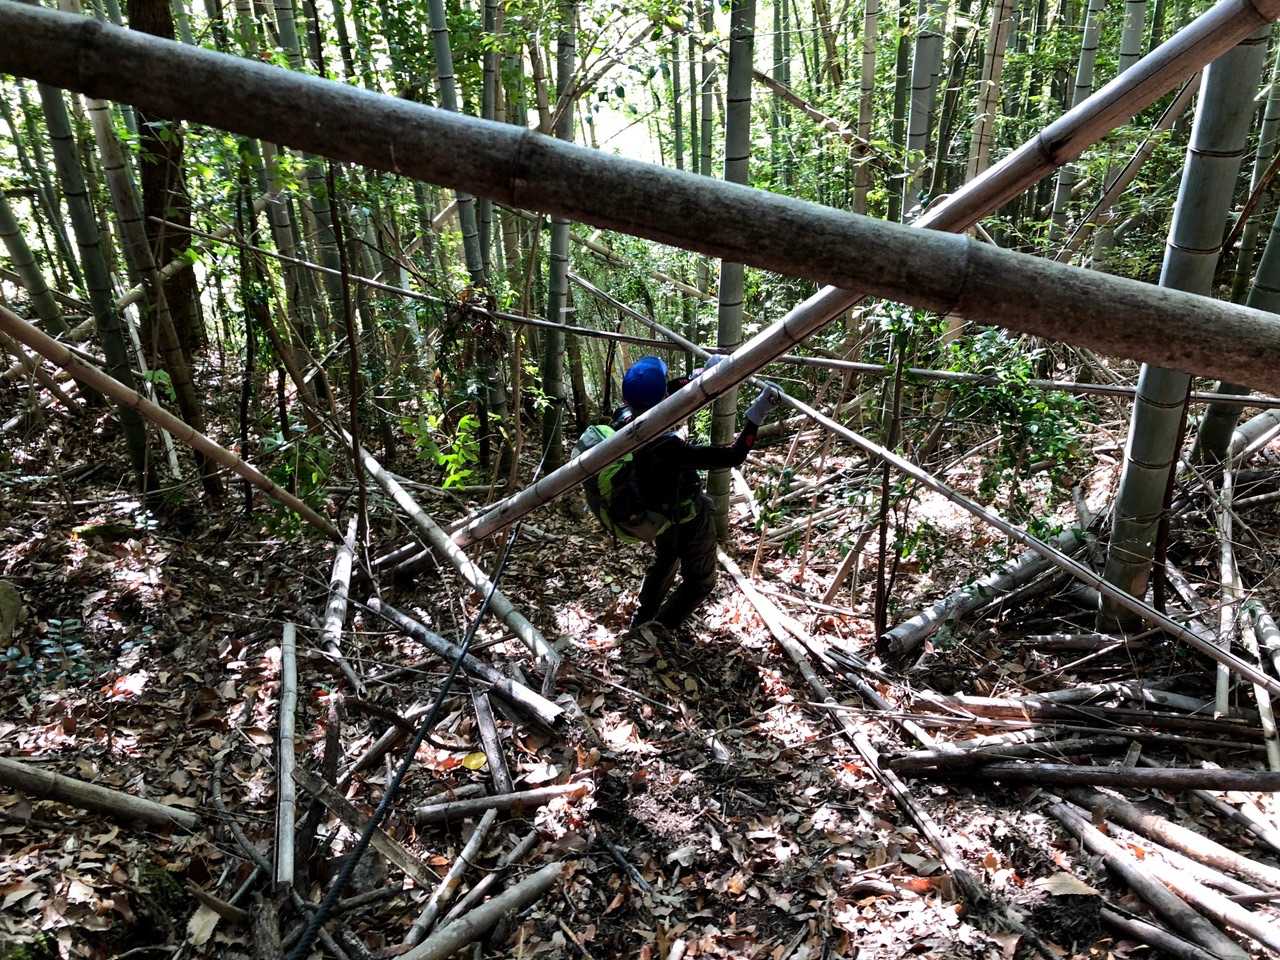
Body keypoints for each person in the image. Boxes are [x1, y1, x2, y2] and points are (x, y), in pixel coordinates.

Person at [614, 354, 782, 632]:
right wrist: (756, 415)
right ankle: (661, 628)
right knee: (701, 581)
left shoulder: (623, 417)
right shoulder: (668, 448)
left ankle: (643, 619)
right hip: (688, 518)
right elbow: (734, 456)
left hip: (656, 514)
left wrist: (701, 376)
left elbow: (669, 389)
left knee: (666, 561)